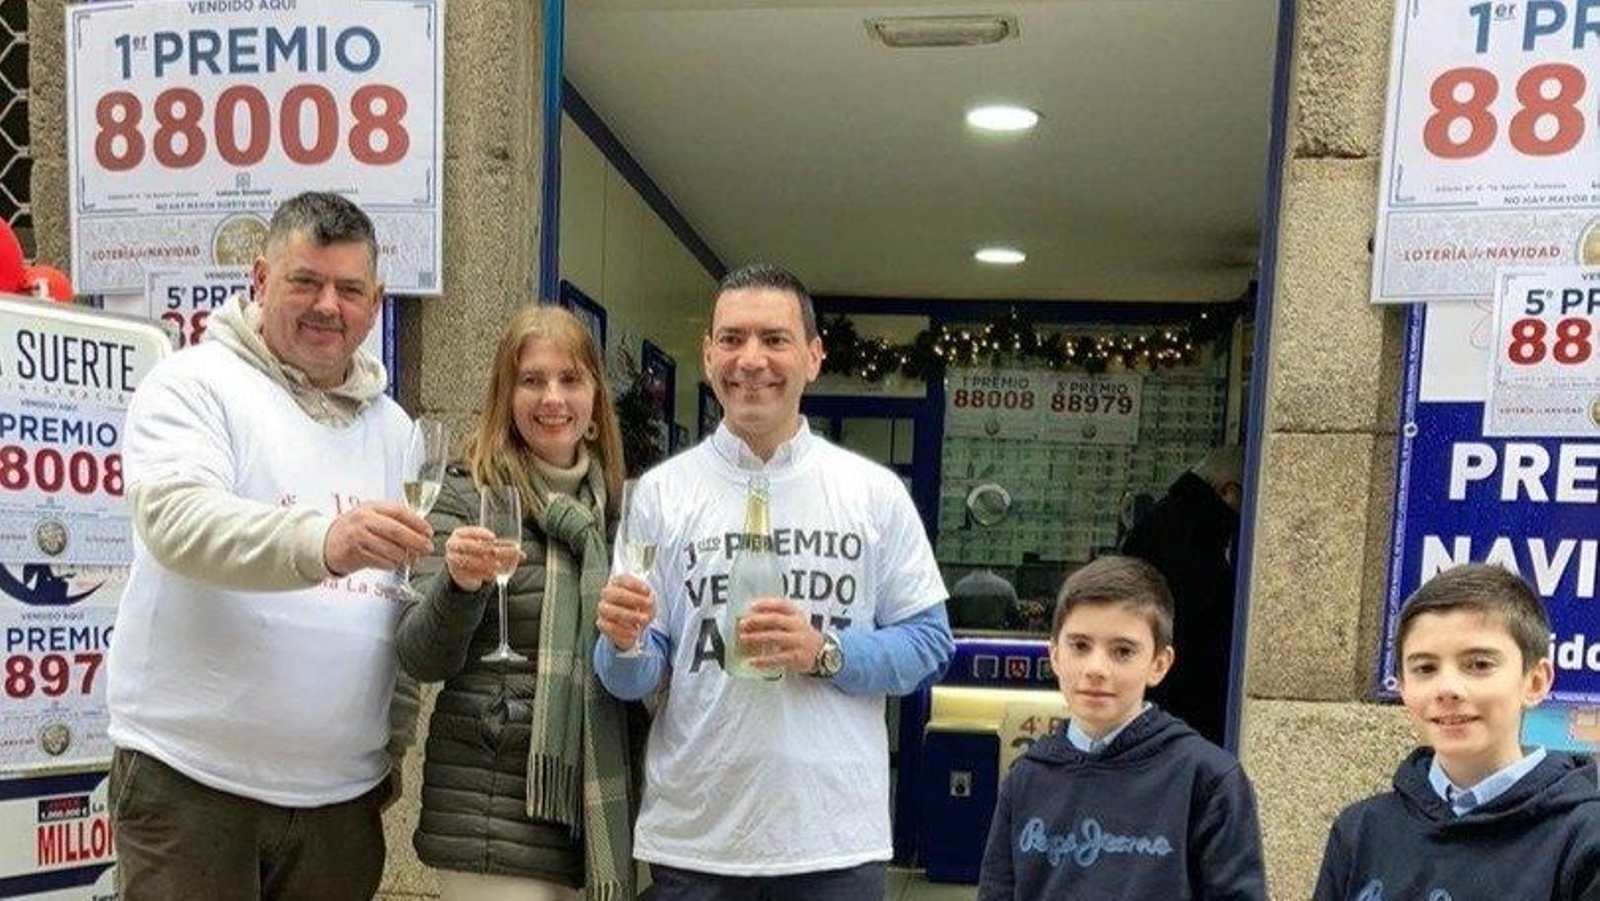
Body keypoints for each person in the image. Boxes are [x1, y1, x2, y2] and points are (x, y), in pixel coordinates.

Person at [106, 191, 432, 899]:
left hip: (340, 803)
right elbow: (176, 521)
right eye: (304, 281)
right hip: (193, 786)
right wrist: (323, 541)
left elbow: (396, 600)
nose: (327, 305)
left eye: (348, 289)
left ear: (374, 303)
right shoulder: (193, 383)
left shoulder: (397, 430)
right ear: (259, 280)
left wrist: (390, 747)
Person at [593, 263, 954, 899]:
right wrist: (621, 643)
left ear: (813, 356)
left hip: (833, 841)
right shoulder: (658, 495)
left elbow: (929, 644)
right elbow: (634, 676)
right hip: (697, 839)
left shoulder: (873, 493)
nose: (750, 359)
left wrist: (826, 652)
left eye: (774, 339)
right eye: (731, 339)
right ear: (708, 355)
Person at [395, 304, 636, 901]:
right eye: (532, 380)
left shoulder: (622, 512)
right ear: (507, 395)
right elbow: (420, 657)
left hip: (596, 809)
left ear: (594, 401)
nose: (552, 397)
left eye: (569, 379)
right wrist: (458, 585)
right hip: (492, 805)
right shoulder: (464, 493)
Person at [978, 555, 1266, 900]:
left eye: (1123, 651)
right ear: (1055, 655)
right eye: (1080, 646)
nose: (1097, 668)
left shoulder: (1208, 780)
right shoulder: (1027, 777)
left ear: (1159, 664)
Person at [1312, 563, 1600, 900]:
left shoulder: (1584, 838)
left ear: (1535, 682)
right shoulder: (1360, 831)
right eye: (1425, 668)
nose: (1447, 688)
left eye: (1479, 665)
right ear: (1402, 687)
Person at [1120, 444, 1243, 745]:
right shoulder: (1196, 539)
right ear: (1228, 491)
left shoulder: (1166, 522)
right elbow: (1202, 626)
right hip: (1182, 706)